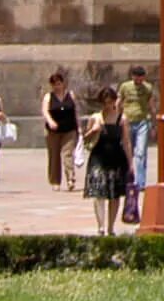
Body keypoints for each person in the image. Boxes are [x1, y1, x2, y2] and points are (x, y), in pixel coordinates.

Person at [83, 87, 132, 237]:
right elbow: (85, 140)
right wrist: (93, 131)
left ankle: (111, 227)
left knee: (114, 194)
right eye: (105, 103)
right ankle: (101, 226)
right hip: (98, 156)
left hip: (116, 157)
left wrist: (131, 165)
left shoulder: (121, 119)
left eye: (110, 102)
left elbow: (126, 142)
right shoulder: (95, 117)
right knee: (98, 193)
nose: (108, 106)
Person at [43, 71, 83, 193]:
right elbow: (45, 111)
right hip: (53, 131)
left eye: (59, 83)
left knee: (67, 154)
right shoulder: (48, 97)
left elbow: (75, 111)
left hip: (69, 129)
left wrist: (79, 126)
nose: (57, 86)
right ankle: (55, 181)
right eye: (54, 84)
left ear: (63, 83)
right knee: (54, 156)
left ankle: (71, 178)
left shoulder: (70, 95)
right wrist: (50, 121)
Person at [119, 66, 156, 187]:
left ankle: (140, 182)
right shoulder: (125, 87)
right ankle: (126, 178)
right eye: (136, 76)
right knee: (127, 151)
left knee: (141, 153)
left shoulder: (148, 88)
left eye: (141, 77)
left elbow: (152, 106)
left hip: (142, 122)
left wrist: (154, 125)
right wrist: (118, 118)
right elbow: (119, 102)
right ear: (132, 76)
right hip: (127, 122)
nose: (139, 79)